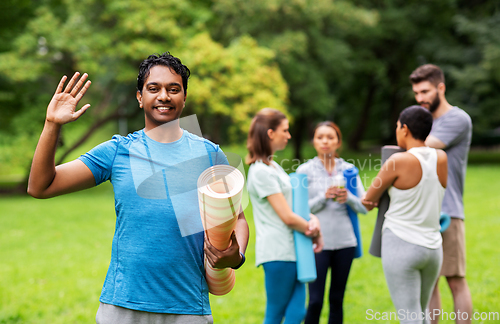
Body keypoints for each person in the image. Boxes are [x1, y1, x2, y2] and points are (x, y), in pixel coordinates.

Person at [27, 52, 249, 324]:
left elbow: (237, 218)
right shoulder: (117, 151)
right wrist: (52, 124)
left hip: (188, 307)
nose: (164, 96)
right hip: (123, 306)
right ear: (139, 97)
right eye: (153, 88)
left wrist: (236, 257)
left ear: (184, 97)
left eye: (173, 89)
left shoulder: (209, 154)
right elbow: (40, 186)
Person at [362, 105, 448, 324]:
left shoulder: (397, 161)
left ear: (405, 129)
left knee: (410, 318)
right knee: (422, 315)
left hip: (401, 244)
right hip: (433, 248)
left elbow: (369, 200)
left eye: (398, 126)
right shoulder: (441, 158)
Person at [245, 108, 324, 324]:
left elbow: (294, 207)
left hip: (293, 249)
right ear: (270, 133)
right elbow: (287, 217)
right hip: (278, 251)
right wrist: (314, 230)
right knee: (275, 314)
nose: (289, 136)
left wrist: (313, 220)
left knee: (297, 313)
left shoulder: (274, 166)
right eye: (285, 130)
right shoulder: (260, 171)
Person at [410, 64, 473, 324]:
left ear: (441, 88)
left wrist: (406, 134)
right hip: (423, 212)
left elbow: (422, 147)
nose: (420, 98)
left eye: (425, 91)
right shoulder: (425, 120)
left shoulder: (457, 119)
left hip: (448, 210)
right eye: (416, 93)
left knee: (455, 280)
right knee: (430, 282)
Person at [296, 121, 367, 324]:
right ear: (314, 142)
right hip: (317, 243)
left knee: (337, 299)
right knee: (315, 301)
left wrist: (349, 198)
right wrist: (324, 197)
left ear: (338, 142)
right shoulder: (304, 171)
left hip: (345, 242)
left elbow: (363, 207)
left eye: (330, 137)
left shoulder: (350, 170)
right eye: (320, 137)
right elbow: (299, 211)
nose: (325, 142)